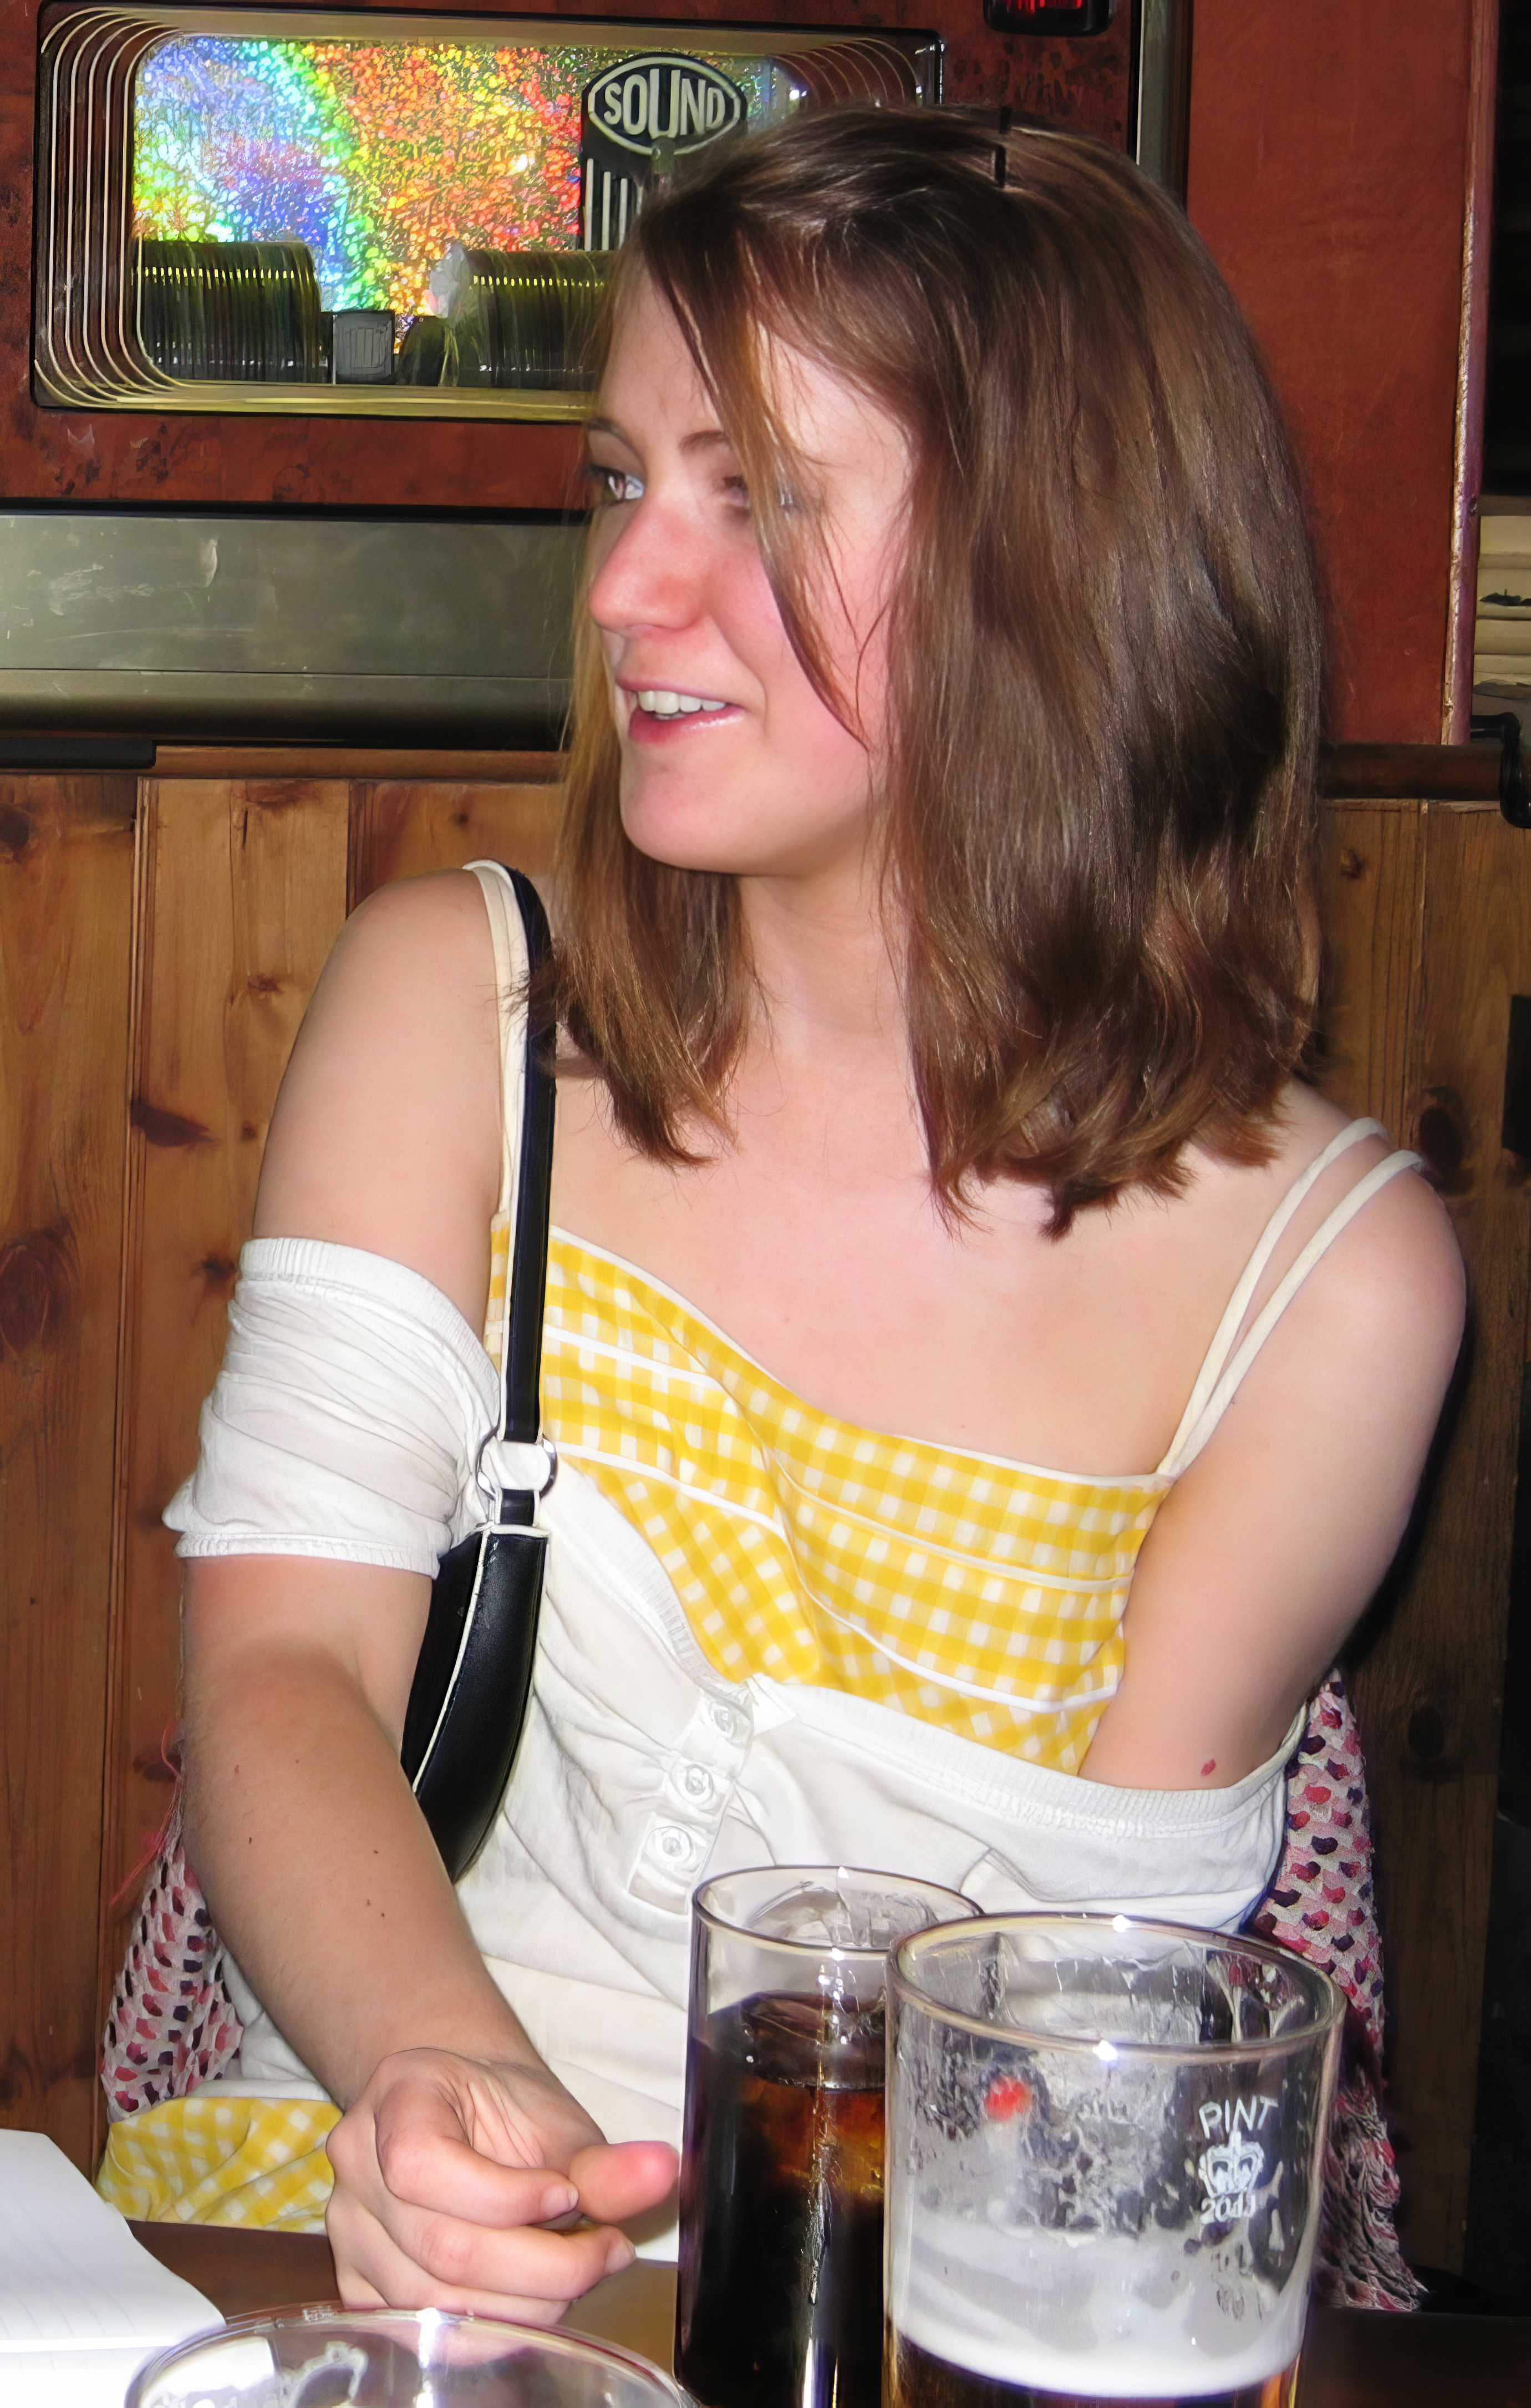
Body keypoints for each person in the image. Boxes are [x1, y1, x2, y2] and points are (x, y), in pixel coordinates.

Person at [100, 109, 1462, 2314]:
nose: (628, 587)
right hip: (358, 2159)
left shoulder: (1321, 1282)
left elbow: (1093, 2058)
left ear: (1057, 565)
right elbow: (283, 1663)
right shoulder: (459, 1007)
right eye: (628, 482)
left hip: (913, 2279)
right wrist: (448, 2083)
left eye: (762, 496)